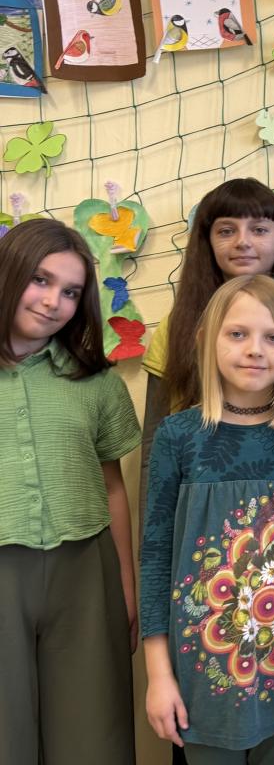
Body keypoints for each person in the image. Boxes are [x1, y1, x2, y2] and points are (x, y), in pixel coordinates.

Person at [140, 274, 274, 764]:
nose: (255, 349)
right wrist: (158, 674)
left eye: (273, 337)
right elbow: (156, 559)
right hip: (203, 674)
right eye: (238, 334)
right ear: (206, 341)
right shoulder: (178, 436)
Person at [0, 219, 140, 764]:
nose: (52, 301)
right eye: (40, 279)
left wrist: (125, 587)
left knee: (92, 736)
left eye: (71, 291)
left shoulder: (97, 384)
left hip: (86, 573)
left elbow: (113, 488)